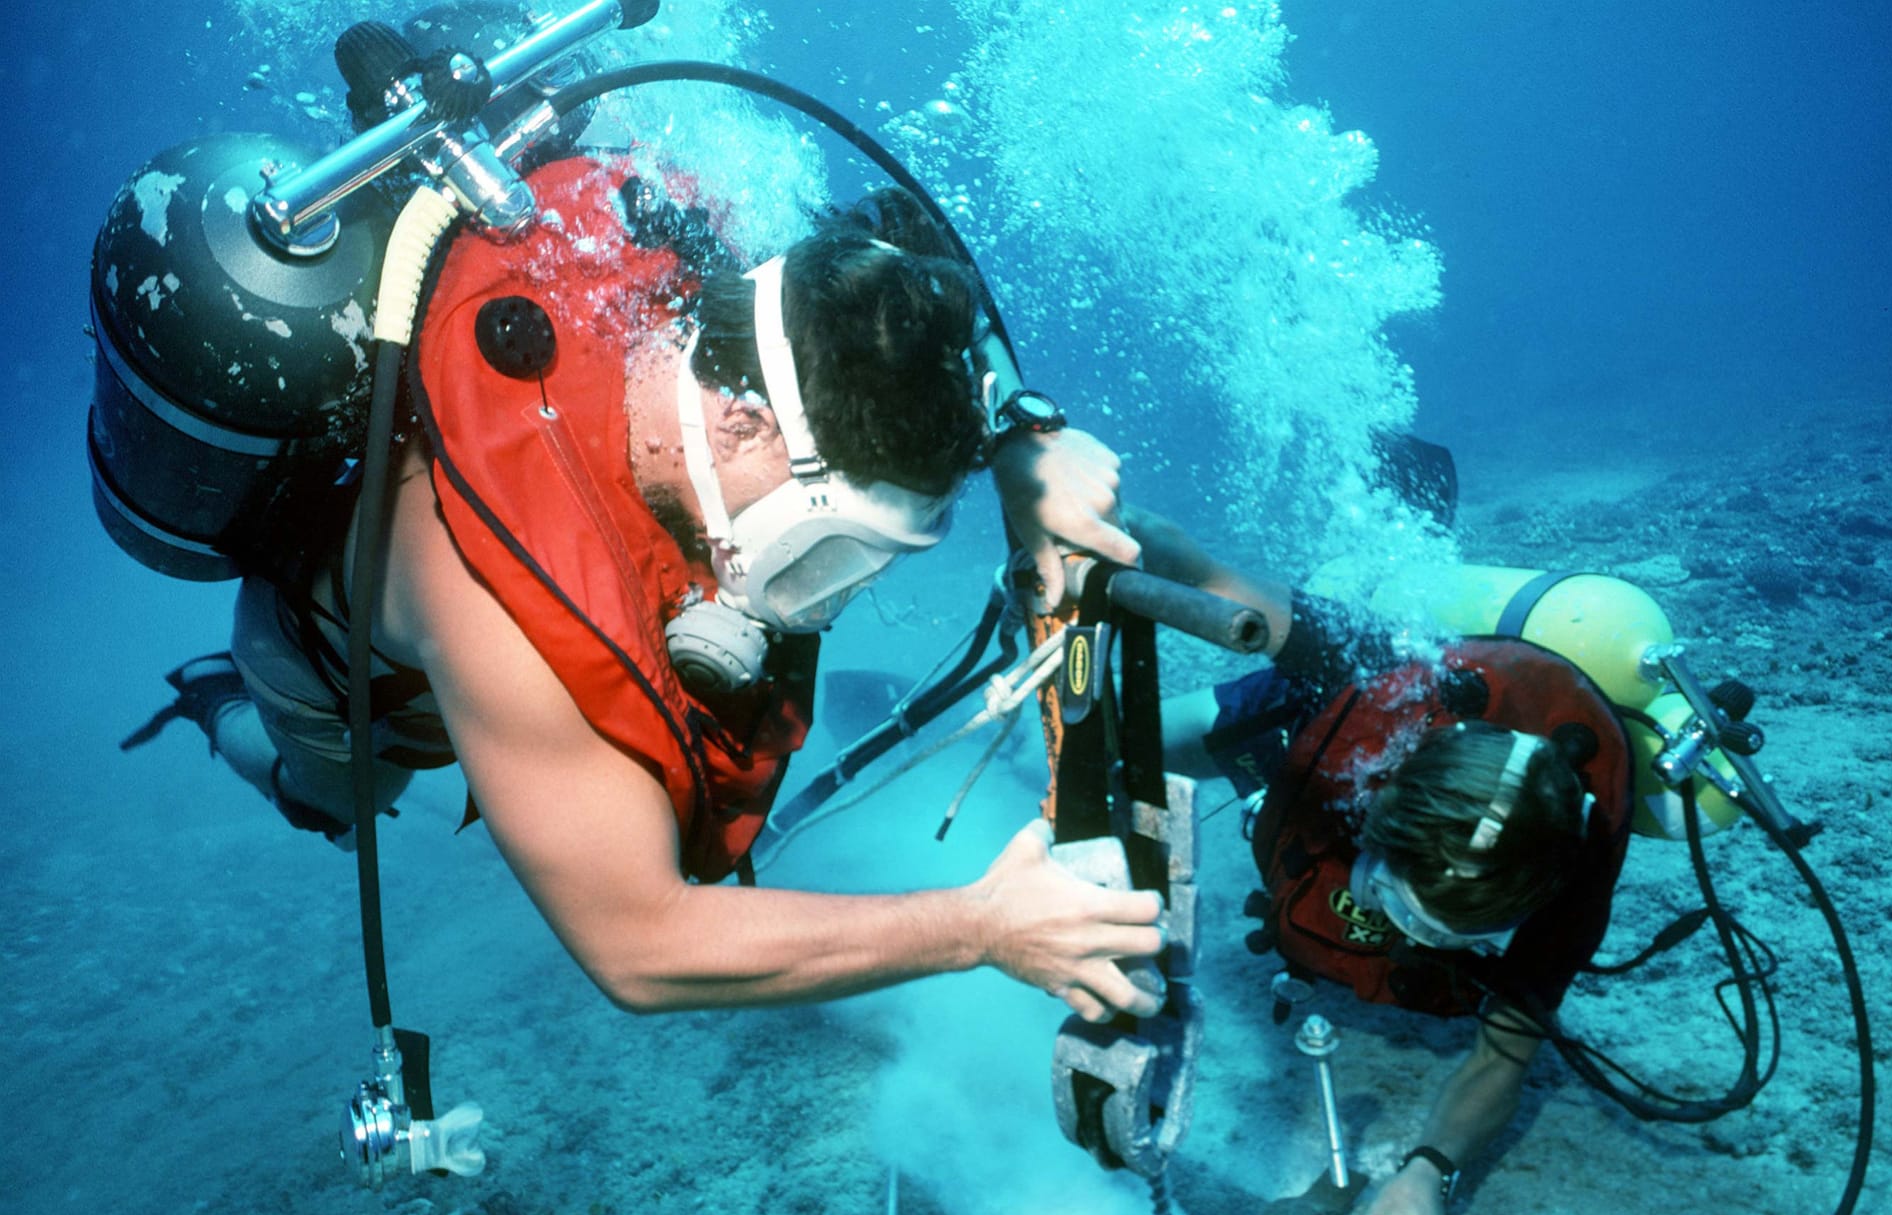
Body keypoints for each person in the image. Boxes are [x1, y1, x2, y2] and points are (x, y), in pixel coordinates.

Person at [124, 150, 1162, 1025]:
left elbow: (899, 252)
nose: (835, 597)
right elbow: (640, 945)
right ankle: (213, 698)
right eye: (838, 549)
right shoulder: (491, 607)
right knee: (344, 800)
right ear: (740, 424)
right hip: (325, 670)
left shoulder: (733, 289)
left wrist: (1026, 436)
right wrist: (981, 925)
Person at [1131, 507, 1635, 1215]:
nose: (1390, 923)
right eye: (1395, 902)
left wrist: (1428, 1170)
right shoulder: (1362, 667)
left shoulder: (1575, 863)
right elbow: (1195, 570)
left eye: (1437, 931)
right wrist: (1112, 532)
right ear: (1383, 804)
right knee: (1101, 754)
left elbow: (1506, 1049)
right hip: (1303, 723)